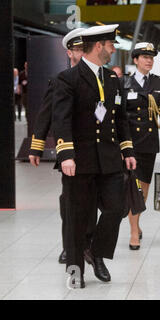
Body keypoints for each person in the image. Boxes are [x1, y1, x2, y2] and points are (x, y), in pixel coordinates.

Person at [52, 24, 136, 288]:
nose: (113, 50)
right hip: (79, 160)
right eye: (110, 45)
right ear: (98, 46)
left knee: (116, 208)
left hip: (110, 159)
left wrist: (127, 149)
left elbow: (120, 118)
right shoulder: (68, 79)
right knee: (77, 215)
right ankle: (76, 269)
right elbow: (61, 119)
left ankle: (96, 252)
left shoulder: (112, 79)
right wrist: (66, 154)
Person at [28, 28, 94, 265]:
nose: (80, 54)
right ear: (69, 52)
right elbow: (45, 114)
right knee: (70, 202)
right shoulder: (60, 80)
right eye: (77, 49)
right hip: (69, 151)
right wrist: (36, 146)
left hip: (93, 151)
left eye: (84, 49)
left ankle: (87, 244)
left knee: (91, 202)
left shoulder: (97, 80)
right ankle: (70, 247)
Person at [121, 42, 160, 250]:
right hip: (129, 143)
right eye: (144, 57)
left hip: (148, 144)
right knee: (132, 188)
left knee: (143, 189)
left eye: (151, 57)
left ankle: (136, 222)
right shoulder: (124, 83)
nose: (148, 60)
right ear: (135, 60)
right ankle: (134, 232)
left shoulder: (158, 83)